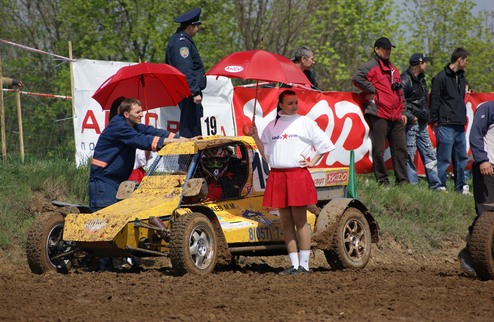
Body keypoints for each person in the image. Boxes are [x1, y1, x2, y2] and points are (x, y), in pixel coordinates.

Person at [248, 90, 334, 275]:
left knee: (300, 221)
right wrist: (255, 136)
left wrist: (314, 160)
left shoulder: (305, 122)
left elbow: (325, 143)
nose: (294, 106)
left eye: (296, 102)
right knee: (286, 222)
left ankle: (304, 265)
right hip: (278, 176)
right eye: (290, 103)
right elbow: (267, 156)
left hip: (297, 176)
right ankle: (294, 265)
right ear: (280, 105)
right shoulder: (271, 126)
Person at [89, 98, 186, 211]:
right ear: (126, 114)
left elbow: (151, 131)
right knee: (105, 219)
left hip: (116, 180)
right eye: (137, 112)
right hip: (104, 181)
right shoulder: (119, 126)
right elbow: (141, 140)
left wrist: (183, 139)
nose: (142, 115)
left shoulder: (131, 124)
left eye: (141, 111)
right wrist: (173, 142)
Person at [352, 37, 408, 186]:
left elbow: (399, 92)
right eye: (385, 49)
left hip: (396, 115)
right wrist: (371, 90)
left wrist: (403, 111)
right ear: (376, 50)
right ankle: (383, 181)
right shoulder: (371, 66)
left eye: (389, 49)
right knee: (379, 150)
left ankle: (402, 181)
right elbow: (357, 77)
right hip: (379, 113)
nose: (388, 51)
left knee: (401, 150)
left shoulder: (394, 69)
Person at [457, 101, 494, 274]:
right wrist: (482, 159)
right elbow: (475, 135)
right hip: (487, 168)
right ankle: (469, 256)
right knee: (485, 215)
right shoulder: (488, 108)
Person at [430, 47, 470, 194]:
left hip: (459, 124)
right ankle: (439, 185)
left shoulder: (461, 78)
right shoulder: (440, 78)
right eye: (466, 60)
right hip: (445, 123)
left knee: (461, 158)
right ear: (459, 60)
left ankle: (461, 186)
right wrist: (435, 121)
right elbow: (435, 100)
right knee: (444, 158)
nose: (466, 63)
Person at [401, 53, 443, 191]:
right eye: (425, 62)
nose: (426, 65)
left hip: (422, 122)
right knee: (410, 154)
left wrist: (426, 117)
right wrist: (411, 116)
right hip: (411, 123)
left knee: (429, 153)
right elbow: (400, 101)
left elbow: (423, 101)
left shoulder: (422, 79)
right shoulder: (405, 79)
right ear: (419, 64)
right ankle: (412, 186)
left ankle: (435, 185)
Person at [165, 8, 206, 138]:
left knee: (194, 131)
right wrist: (194, 92)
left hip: (188, 93)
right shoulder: (181, 43)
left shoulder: (180, 40)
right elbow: (185, 69)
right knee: (191, 133)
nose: (198, 29)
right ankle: (187, 159)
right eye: (196, 26)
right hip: (189, 94)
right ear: (190, 27)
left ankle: (191, 158)